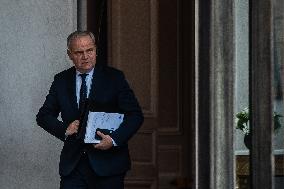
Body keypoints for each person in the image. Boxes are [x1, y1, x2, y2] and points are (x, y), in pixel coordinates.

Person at [36, 31, 144, 189]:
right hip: (73, 166)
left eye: (89, 50)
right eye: (79, 52)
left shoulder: (114, 78)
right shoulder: (61, 80)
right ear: (69, 54)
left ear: (95, 50)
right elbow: (43, 116)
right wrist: (65, 129)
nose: (85, 56)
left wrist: (113, 140)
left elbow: (135, 115)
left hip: (109, 166)